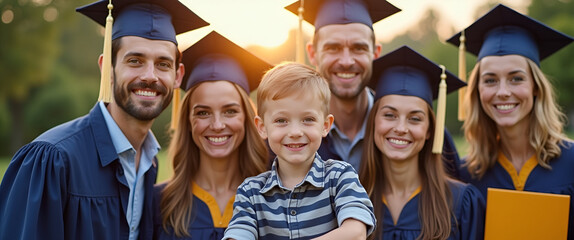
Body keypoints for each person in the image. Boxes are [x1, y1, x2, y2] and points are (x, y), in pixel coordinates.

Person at [0, 0, 208, 239]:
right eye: (135, 61)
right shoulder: (52, 161)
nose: (150, 76)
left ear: (177, 76)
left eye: (163, 64)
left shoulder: (149, 164)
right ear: (107, 68)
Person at [286, 0, 462, 178]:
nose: (346, 61)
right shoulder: (288, 134)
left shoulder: (415, 132)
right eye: (333, 48)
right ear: (312, 53)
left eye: (358, 48)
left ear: (375, 53)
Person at [445, 4, 574, 238]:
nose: (503, 91)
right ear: (477, 91)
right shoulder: (465, 174)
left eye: (516, 78)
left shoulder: (572, 163)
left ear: (535, 87)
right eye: (490, 80)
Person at [223, 62, 376, 240]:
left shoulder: (340, 177)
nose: (295, 132)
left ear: (325, 125)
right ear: (262, 127)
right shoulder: (251, 193)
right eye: (281, 120)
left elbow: (356, 233)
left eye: (308, 119)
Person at [152, 31, 270, 240]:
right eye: (203, 113)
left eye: (230, 111)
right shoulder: (159, 202)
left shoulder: (272, 198)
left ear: (247, 118)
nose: (217, 125)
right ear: (187, 121)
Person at [359, 46, 485, 239]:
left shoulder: (460, 203)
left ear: (429, 131)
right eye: (390, 115)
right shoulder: (352, 201)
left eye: (415, 118)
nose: (401, 128)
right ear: (373, 122)